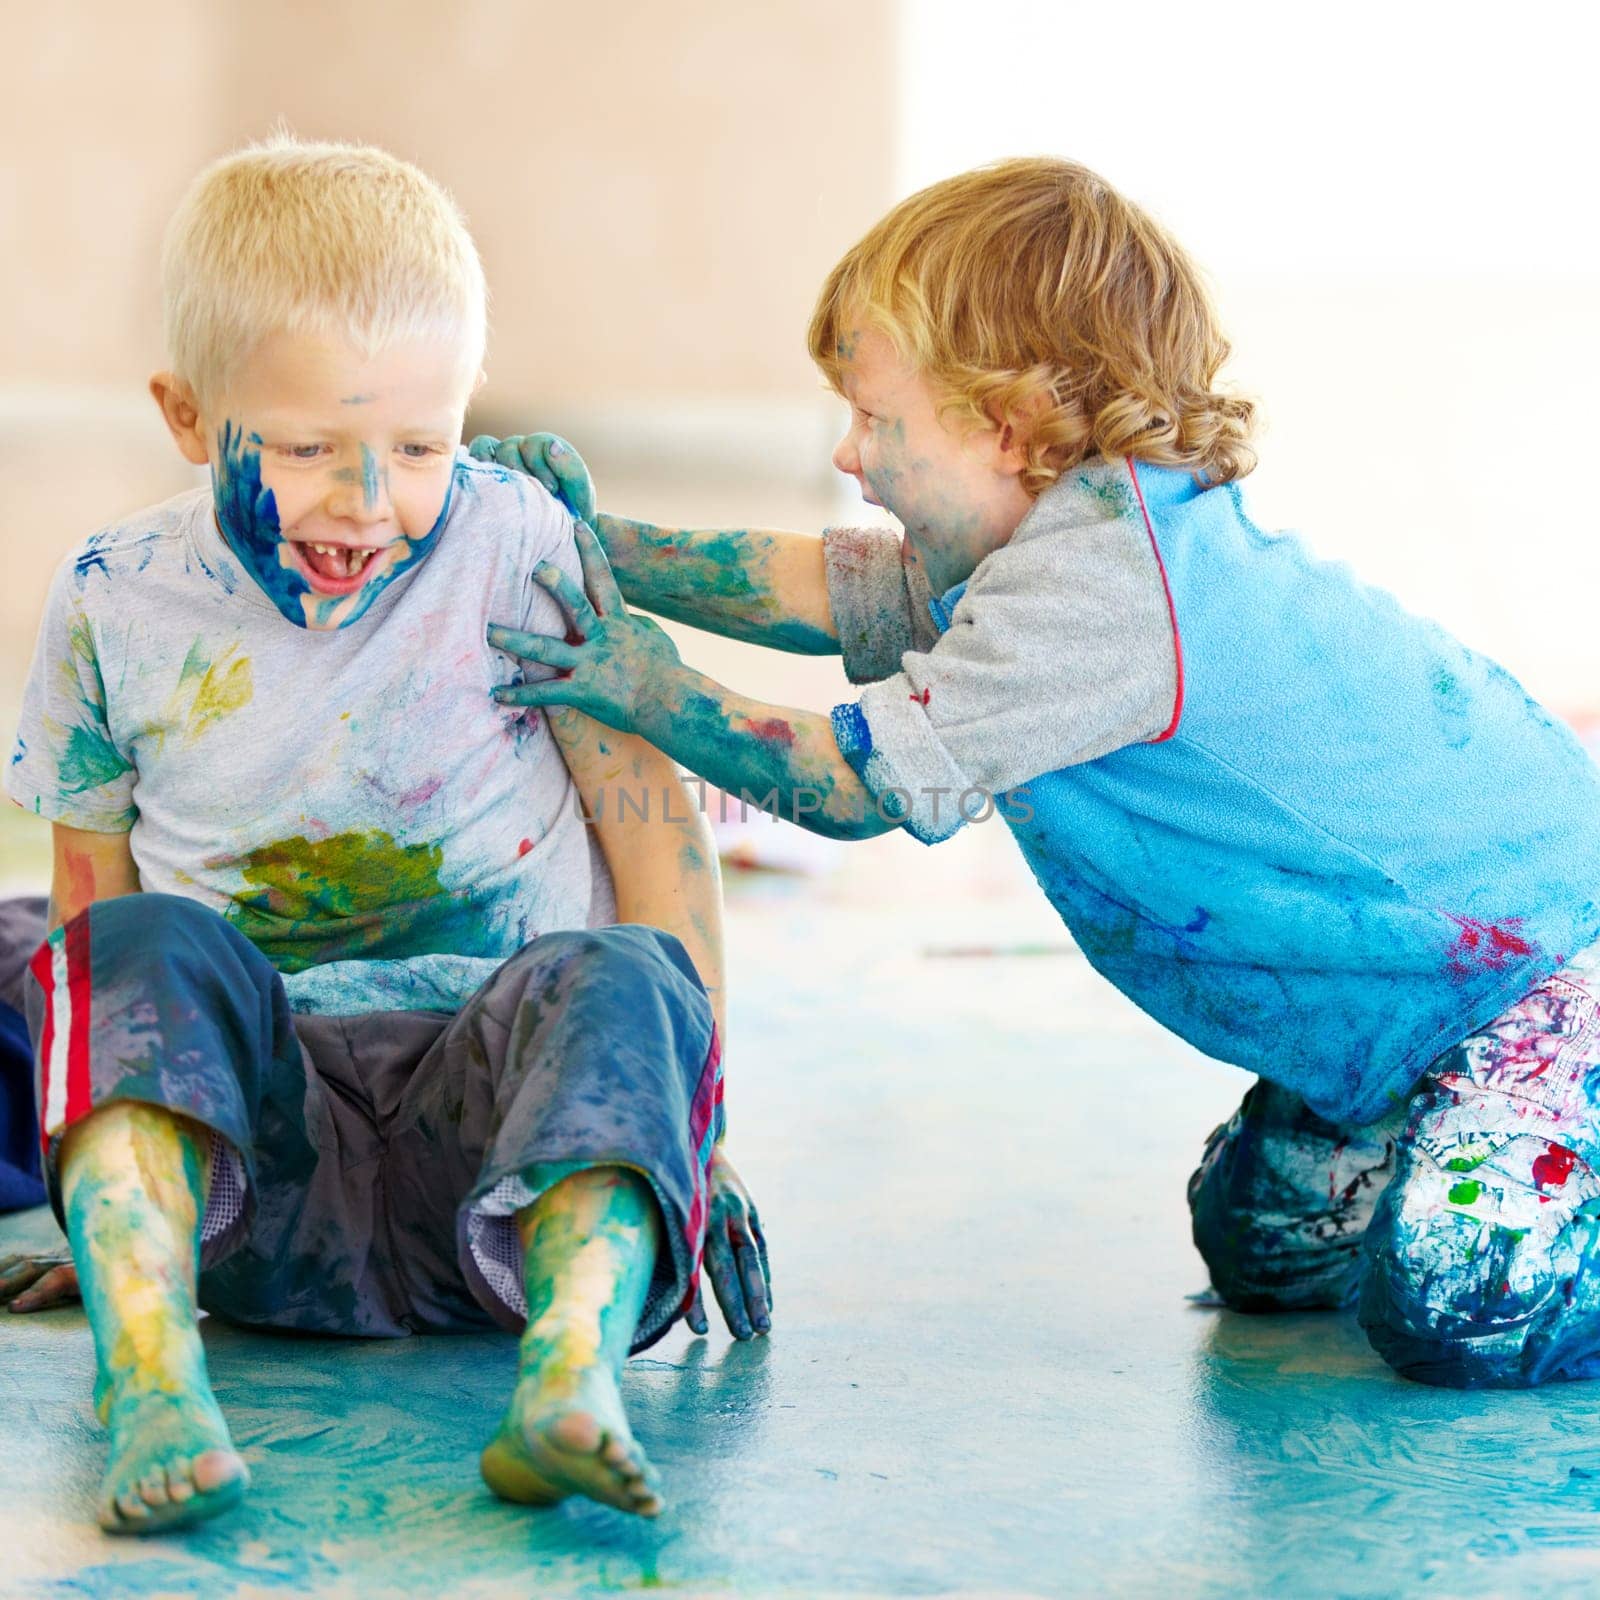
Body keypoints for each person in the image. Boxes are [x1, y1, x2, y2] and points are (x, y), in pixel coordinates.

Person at [473, 156, 1600, 1392]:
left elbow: (855, 787)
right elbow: (813, 584)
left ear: (1002, 429)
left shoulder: (1098, 591)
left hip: (1549, 981)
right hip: (1408, 1009)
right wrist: (598, 545)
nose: (850, 454)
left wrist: (655, 691)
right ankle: (1455, 1127)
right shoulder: (1059, 536)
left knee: (1459, 1306)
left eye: (873, 419)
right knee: (1265, 1249)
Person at [0, 135, 770, 1535]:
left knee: (623, 976)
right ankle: (153, 1368)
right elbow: (85, 907)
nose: (370, 501)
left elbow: (659, 843)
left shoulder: (519, 549)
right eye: (305, 451)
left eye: (420, 447)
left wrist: (691, 1137)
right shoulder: (113, 598)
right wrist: (112, 1208)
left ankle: (571, 1369)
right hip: (257, 1167)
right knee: (128, 942)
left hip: (501, 1164)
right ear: (186, 415)